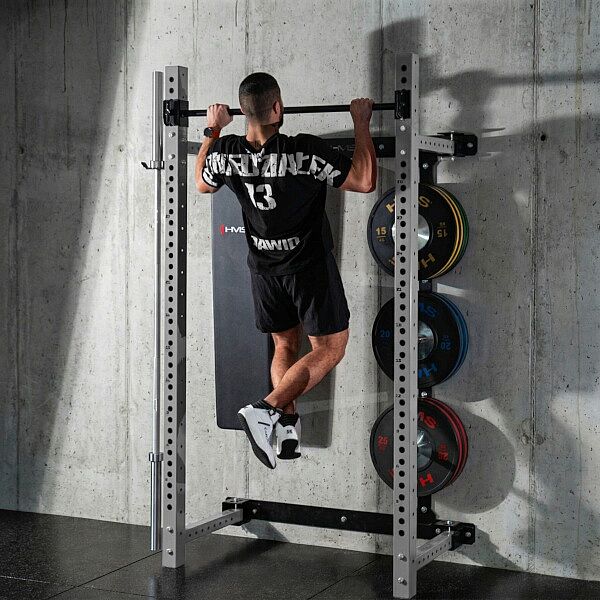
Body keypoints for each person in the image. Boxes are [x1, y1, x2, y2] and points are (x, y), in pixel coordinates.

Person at [195, 72, 376, 469]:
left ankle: (287, 425)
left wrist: (213, 128)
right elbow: (364, 181)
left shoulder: (225, 151)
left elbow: (203, 184)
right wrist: (361, 123)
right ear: (277, 108)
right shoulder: (305, 151)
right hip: (307, 268)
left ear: (244, 112)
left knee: (284, 347)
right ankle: (267, 409)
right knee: (330, 348)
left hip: (264, 270)